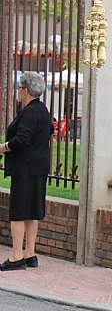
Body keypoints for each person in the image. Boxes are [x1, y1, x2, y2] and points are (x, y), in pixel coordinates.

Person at [0, 72, 53, 271]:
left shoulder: (29, 112)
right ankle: (30, 254)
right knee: (32, 212)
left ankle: (16, 256)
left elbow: (22, 139)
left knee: (18, 213)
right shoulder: (43, 110)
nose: (19, 93)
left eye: (19, 89)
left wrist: (3, 147)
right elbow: (48, 132)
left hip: (25, 169)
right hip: (39, 168)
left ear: (25, 91)